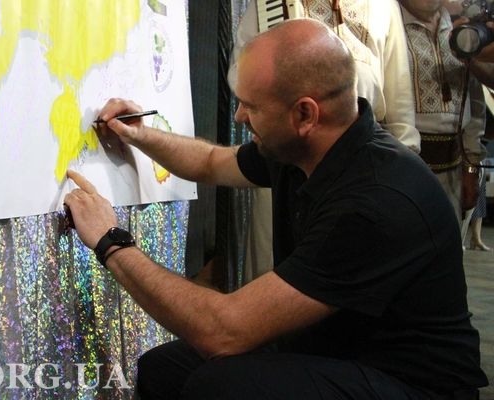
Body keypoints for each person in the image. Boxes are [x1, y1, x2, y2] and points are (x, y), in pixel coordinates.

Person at [64, 19, 488, 399]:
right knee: (163, 369)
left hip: (408, 382)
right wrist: (140, 135)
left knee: (220, 385)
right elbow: (210, 162)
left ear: (305, 114)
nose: (239, 116)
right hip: (337, 351)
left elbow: (223, 330)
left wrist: (111, 242)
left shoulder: (375, 201)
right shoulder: (306, 147)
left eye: (251, 105)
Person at [228, 0, 420, 282]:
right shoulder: (269, 5)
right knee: (275, 270)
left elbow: (399, 96)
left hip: (363, 165)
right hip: (288, 163)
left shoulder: (383, 6)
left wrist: (402, 169)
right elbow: (243, 76)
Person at [399, 0, 488, 222]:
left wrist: (471, 167)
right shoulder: (388, 25)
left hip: (454, 172)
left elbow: (475, 103)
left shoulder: (461, 30)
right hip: (403, 169)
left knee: (450, 240)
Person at [468, 157, 492, 251]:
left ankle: (476, 238)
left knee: (479, 194)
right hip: (462, 159)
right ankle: (459, 239)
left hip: (476, 158)